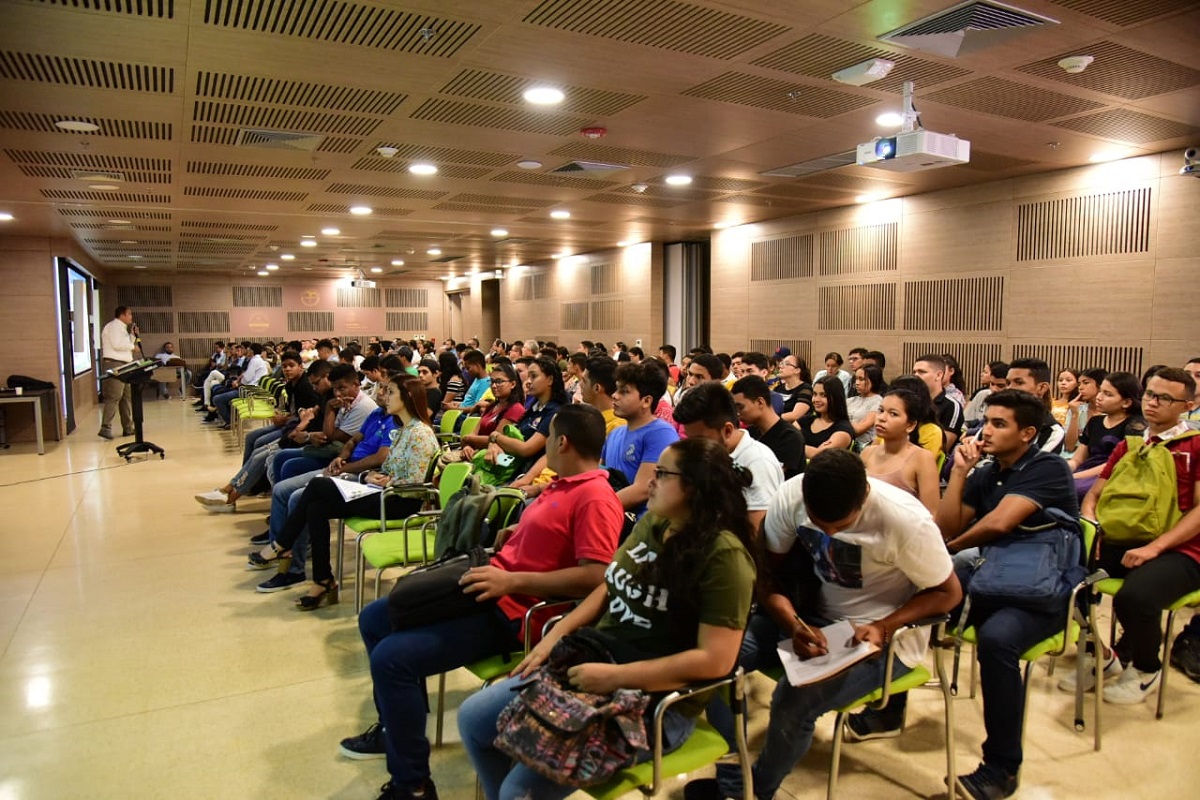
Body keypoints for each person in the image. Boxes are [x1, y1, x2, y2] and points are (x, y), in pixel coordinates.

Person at [341, 405, 624, 799]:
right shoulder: (561, 484)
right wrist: (518, 533)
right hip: (493, 584)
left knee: (393, 658)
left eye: (549, 439)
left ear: (562, 442)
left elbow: (596, 576)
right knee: (375, 618)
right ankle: (397, 726)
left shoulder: (595, 496)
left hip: (516, 612)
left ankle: (413, 784)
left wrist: (513, 579)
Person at [459, 436, 756, 800]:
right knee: (473, 720)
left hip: (656, 702)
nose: (650, 482)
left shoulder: (724, 557)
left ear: (694, 488)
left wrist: (614, 677)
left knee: (518, 790)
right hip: (596, 660)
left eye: (662, 474)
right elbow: (610, 583)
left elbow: (716, 660)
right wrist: (556, 634)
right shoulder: (656, 522)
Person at [692, 449, 960, 800]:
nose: (829, 532)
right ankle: (734, 761)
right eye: (819, 524)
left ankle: (754, 790)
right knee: (713, 657)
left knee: (793, 700)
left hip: (879, 637)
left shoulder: (906, 521)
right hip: (807, 615)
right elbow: (765, 574)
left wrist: (884, 626)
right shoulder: (792, 495)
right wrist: (792, 623)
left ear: (864, 496)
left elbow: (948, 593)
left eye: (841, 526)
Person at [936, 389, 1080, 798]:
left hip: (1040, 589)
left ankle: (1002, 768)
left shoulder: (1047, 467)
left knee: (997, 640)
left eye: (999, 424)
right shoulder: (988, 471)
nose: (986, 431)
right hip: (992, 579)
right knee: (912, 598)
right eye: (986, 422)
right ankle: (886, 711)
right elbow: (947, 524)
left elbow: (998, 523)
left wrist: (950, 548)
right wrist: (960, 472)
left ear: (1027, 433)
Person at [250, 377, 438, 609]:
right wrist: (368, 476)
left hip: (398, 501)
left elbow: (414, 482)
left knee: (319, 486)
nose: (384, 396)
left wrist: (385, 480)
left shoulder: (420, 433)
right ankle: (323, 580)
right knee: (316, 507)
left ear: (407, 397)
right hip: (383, 491)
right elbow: (386, 468)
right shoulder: (402, 430)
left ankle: (282, 543)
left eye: (391, 392)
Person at [1076, 367, 1200, 704]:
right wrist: (1093, 530)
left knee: (1136, 597)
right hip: (1125, 539)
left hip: (1184, 549)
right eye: (1150, 395)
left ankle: (1146, 668)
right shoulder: (1129, 445)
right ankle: (1102, 654)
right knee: (1061, 578)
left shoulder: (1195, 445)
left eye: (1165, 398)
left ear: (1187, 406)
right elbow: (1094, 496)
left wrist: (1155, 547)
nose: (1153, 403)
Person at [194, 353, 327, 512]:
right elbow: (301, 413)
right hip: (293, 427)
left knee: (260, 450)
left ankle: (231, 495)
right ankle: (237, 486)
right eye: (284, 366)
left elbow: (308, 421)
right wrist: (284, 416)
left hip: (298, 432)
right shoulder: (299, 388)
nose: (287, 369)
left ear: (301, 367)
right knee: (253, 439)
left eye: (291, 365)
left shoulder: (310, 389)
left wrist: (293, 421)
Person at [673, 381, 783, 531]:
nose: (694, 446)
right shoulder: (709, 455)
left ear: (727, 431)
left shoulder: (758, 463)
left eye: (700, 439)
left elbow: (755, 534)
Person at [600, 361, 679, 513]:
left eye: (624, 391)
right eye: (617, 389)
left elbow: (643, 489)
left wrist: (599, 508)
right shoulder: (615, 433)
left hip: (639, 521)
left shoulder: (661, 433)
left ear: (646, 401)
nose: (614, 395)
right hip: (613, 516)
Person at [1066, 372, 1144, 501]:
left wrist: (1074, 477)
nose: (1099, 397)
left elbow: (1114, 465)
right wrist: (1064, 469)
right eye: (1100, 391)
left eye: (1108, 394)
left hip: (1110, 476)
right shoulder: (1095, 422)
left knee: (1071, 489)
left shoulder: (1134, 426)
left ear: (1126, 402)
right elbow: (1078, 459)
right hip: (1085, 471)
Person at [861, 389, 941, 514]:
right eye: (881, 410)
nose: (882, 418)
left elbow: (932, 514)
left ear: (910, 425)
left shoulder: (922, 458)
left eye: (893, 414)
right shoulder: (867, 453)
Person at [486, 356, 568, 475]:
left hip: (532, 474)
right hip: (513, 466)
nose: (528, 381)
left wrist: (495, 436)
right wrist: (494, 445)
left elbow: (526, 449)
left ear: (550, 380)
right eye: (528, 376)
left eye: (533, 376)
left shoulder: (555, 412)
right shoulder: (534, 408)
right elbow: (511, 435)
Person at [732, 375, 805, 480]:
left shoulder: (790, 437)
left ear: (760, 402)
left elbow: (767, 478)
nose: (737, 413)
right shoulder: (750, 433)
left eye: (740, 407)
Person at [99, 305, 138, 440]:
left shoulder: (122, 328)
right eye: (129, 314)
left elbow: (125, 346)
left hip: (125, 365)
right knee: (114, 396)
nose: (131, 317)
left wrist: (132, 336)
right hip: (115, 364)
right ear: (122, 315)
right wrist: (132, 346)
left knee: (126, 397)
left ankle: (128, 427)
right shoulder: (113, 327)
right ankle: (105, 427)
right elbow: (117, 345)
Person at [799, 376, 854, 458]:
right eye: (815, 394)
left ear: (836, 398)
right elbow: (784, 438)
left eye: (823, 395)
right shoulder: (806, 420)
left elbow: (819, 455)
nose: (816, 399)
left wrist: (793, 444)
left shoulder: (843, 429)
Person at [846, 364, 885, 450]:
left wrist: (841, 423)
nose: (857, 383)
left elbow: (859, 429)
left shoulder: (878, 401)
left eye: (861, 379)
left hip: (865, 447)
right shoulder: (850, 400)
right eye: (856, 379)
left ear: (873, 381)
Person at [776, 353, 814, 424]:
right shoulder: (778, 388)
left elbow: (795, 415)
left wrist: (771, 419)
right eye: (781, 363)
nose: (780, 366)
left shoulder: (805, 389)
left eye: (787, 364)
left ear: (797, 370)